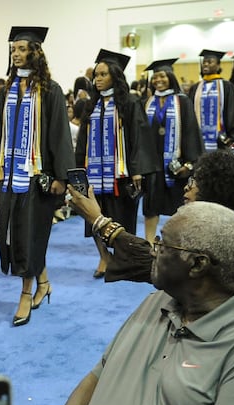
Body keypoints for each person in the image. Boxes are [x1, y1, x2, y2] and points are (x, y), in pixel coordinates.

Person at [66, 150, 234, 395]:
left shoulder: (229, 244)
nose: (186, 189)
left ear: (220, 193)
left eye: (195, 182)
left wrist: (97, 219)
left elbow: (159, 264)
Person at [50, 201, 234, 405]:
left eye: (162, 245)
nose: (153, 251)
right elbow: (97, 376)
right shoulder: (156, 302)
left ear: (197, 264)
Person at [0, 27, 74, 326]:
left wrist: (61, 177)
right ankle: (45, 283)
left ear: (35, 52)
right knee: (17, 234)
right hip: (9, 175)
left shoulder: (50, 90)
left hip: (38, 177)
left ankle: (25, 294)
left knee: (29, 234)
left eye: (22, 48)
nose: (16, 52)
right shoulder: (6, 90)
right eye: (13, 48)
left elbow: (60, 135)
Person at [76, 49, 156, 279]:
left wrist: (137, 169)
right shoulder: (91, 104)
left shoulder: (129, 102)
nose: (97, 79)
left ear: (115, 76)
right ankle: (104, 257)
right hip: (93, 173)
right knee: (93, 216)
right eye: (96, 75)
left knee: (123, 216)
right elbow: (82, 139)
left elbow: (138, 137)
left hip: (120, 174)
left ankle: (123, 258)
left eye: (103, 75)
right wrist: (77, 169)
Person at [141, 58, 202, 243]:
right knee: (150, 207)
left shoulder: (182, 101)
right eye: (155, 77)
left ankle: (179, 243)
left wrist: (189, 163)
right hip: (152, 165)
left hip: (175, 165)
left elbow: (191, 131)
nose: (158, 80)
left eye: (162, 76)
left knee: (179, 206)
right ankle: (149, 244)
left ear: (170, 77)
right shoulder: (147, 102)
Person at [188, 49, 234, 153]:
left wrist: (232, 136)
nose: (206, 64)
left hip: (221, 139)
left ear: (218, 66)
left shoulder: (226, 86)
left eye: (210, 62)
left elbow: (233, 111)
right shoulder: (195, 87)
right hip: (199, 139)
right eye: (204, 62)